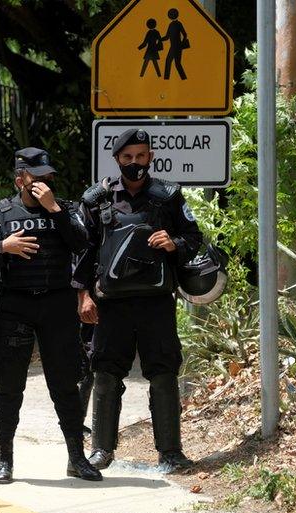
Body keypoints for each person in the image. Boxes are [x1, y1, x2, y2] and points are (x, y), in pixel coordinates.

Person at [0, 147, 102, 484]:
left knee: (65, 385)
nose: (43, 183)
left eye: (47, 177)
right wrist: (2, 247)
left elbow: (84, 243)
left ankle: (76, 458)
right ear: (20, 179)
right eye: (36, 178)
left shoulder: (64, 209)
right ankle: (4, 459)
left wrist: (54, 209)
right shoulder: (0, 213)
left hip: (56, 306)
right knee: (9, 387)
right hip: (15, 307)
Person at [77, 128, 203, 472]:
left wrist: (174, 242)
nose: (136, 163)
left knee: (163, 374)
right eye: (128, 157)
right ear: (118, 159)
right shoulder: (96, 200)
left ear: (150, 157)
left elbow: (194, 237)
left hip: (156, 303)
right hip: (110, 304)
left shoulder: (168, 197)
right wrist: (83, 296)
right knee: (105, 374)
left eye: (141, 156)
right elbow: (83, 251)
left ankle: (171, 452)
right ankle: (101, 450)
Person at [162, 8, 188, 81]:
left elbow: (185, 34)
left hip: (178, 47)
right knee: (168, 61)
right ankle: (166, 79)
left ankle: (184, 79)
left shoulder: (179, 24)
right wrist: (160, 39)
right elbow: (167, 37)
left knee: (177, 64)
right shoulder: (170, 24)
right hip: (172, 47)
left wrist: (182, 44)